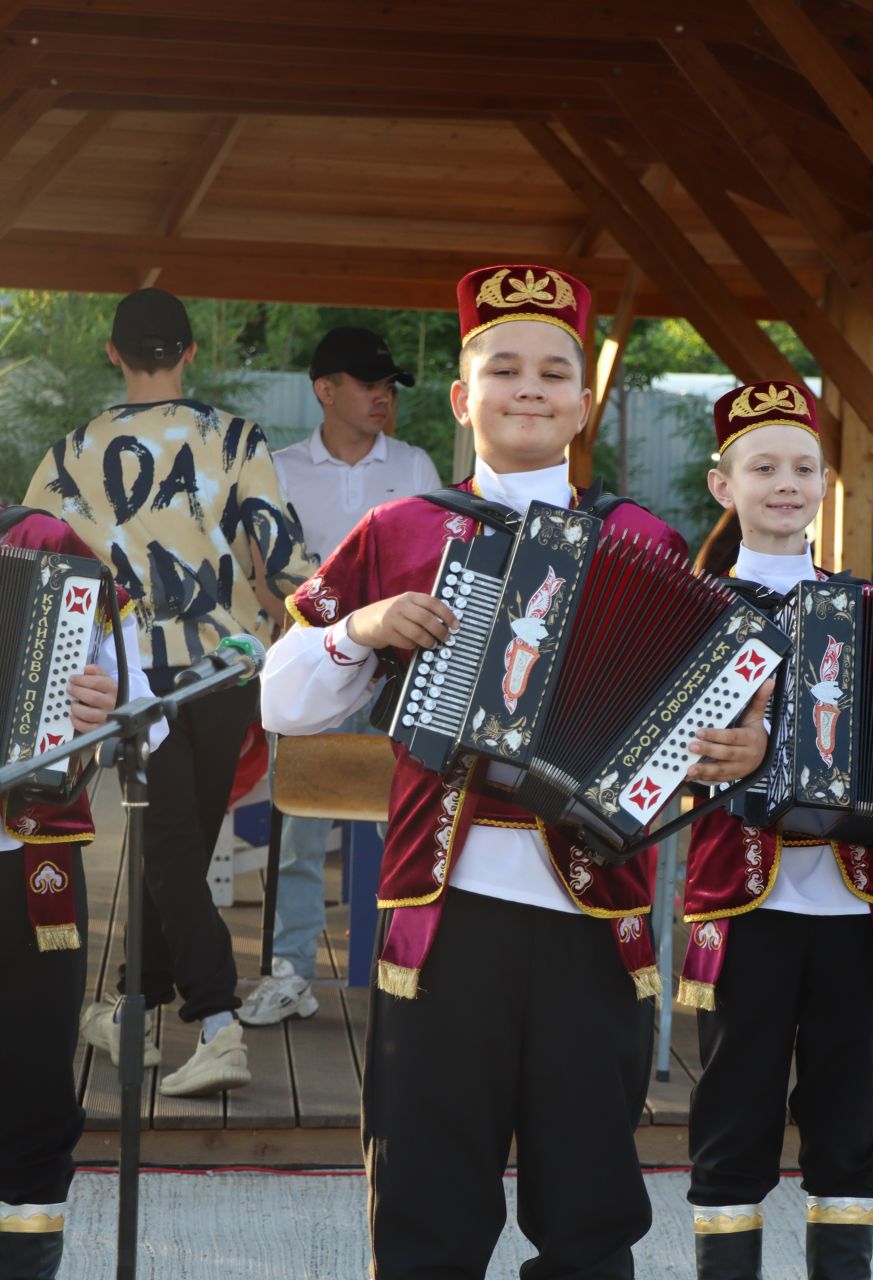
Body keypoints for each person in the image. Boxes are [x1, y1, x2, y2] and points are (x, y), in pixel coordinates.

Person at [259, 264, 771, 1276]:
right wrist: (358, 627)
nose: (528, 387)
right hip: (438, 911)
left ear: (584, 403)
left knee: (590, 1210)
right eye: (503, 369)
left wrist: (740, 752)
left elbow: (698, 732)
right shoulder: (400, 530)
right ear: (463, 398)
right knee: (423, 1205)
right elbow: (283, 702)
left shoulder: (645, 540)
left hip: (593, 916)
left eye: (552, 372)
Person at [678, 379, 873, 1280]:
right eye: (764, 467)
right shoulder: (695, 607)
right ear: (723, 485)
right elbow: (653, 772)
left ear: (826, 483)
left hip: (860, 908)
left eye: (804, 467)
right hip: (742, 899)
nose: (787, 483)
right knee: (734, 1117)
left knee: (847, 1122)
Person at [27, 286, 316, 1098]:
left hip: (124, 682)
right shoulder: (238, 439)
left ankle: (158, 1016)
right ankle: (184, 1016)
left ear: (114, 354)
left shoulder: (68, 455)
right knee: (180, 849)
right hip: (223, 672)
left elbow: (42, 578)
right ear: (190, 351)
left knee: (173, 851)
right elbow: (288, 567)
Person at [241, 327, 441, 1027]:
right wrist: (312, 641)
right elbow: (263, 574)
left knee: (410, 818)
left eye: (388, 385)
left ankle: (406, 969)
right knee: (299, 826)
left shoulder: (416, 468)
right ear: (324, 390)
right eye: (366, 383)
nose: (382, 395)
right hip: (316, 669)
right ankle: (290, 972)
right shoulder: (282, 469)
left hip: (401, 676)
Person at [0, 507, 158, 1279]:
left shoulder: (45, 545)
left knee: (30, 1080)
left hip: (23, 859)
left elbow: (145, 719)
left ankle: (25, 1259)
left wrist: (104, 708)